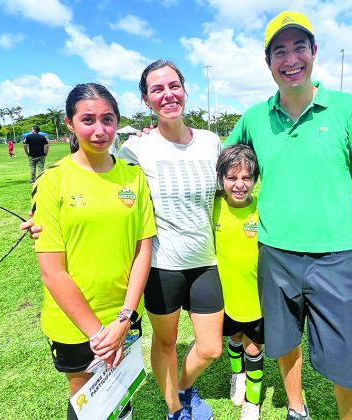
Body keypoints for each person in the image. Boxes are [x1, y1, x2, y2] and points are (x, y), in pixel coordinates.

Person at [224, 11, 352, 420]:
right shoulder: (254, 117)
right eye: (279, 51)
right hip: (274, 256)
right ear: (268, 62)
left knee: (350, 365)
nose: (291, 58)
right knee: (284, 343)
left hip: (335, 259)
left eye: (299, 46)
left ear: (314, 51)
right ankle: (296, 408)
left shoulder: (350, 109)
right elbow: (221, 163)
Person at [32, 83, 156, 420]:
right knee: (87, 400)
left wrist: (123, 319)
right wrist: (98, 334)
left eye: (108, 119)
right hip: (73, 323)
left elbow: (142, 250)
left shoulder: (134, 177)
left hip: (124, 315)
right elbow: (52, 271)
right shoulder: (53, 181)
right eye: (88, 120)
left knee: (121, 390)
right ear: (70, 124)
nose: (100, 130)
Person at [118, 60, 223, 420]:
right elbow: (102, 184)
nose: (168, 95)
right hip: (162, 265)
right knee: (165, 342)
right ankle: (176, 409)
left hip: (207, 261)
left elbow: (233, 189)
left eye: (173, 86)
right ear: (147, 100)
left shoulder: (211, 142)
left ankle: (180, 385)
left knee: (210, 348)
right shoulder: (135, 150)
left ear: (184, 89)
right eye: (157, 89)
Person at [214, 144, 264, 420]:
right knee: (234, 338)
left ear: (255, 180)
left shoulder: (262, 208)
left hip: (255, 296)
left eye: (246, 178)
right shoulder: (214, 206)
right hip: (225, 295)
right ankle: (238, 375)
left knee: (254, 347)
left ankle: (253, 401)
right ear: (221, 178)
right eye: (232, 178)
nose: (239, 184)